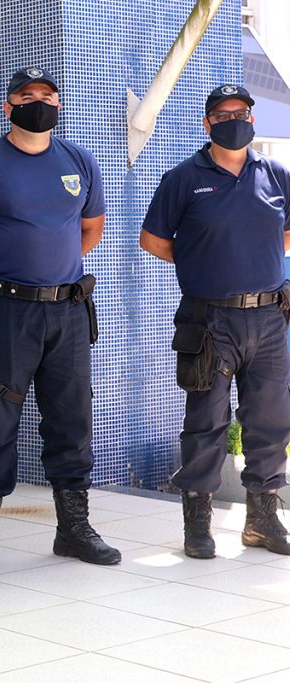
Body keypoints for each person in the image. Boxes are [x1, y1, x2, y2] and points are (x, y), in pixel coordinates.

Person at [0, 67, 121, 574]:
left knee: (71, 419)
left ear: (58, 106)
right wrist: (4, 273)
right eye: (26, 94)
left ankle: (74, 530)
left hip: (68, 312)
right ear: (8, 106)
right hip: (7, 312)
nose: (37, 101)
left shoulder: (78, 160)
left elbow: (92, 227)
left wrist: (52, 275)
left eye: (47, 95)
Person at [141, 84, 290, 559]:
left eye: (241, 113)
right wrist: (201, 260)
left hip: (268, 317)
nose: (233, 120)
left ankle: (261, 521)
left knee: (270, 418)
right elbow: (152, 239)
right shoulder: (183, 178)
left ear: (252, 119)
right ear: (207, 124)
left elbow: (286, 233)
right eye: (223, 115)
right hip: (209, 319)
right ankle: (198, 524)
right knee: (206, 420)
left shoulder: (276, 174)